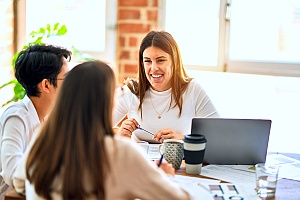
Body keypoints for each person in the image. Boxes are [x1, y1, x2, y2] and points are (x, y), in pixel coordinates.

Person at [13, 60, 191, 199]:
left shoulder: (42, 140)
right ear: (107, 101)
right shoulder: (122, 152)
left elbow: (20, 183)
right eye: (117, 93)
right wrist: (165, 177)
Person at [113, 30, 219, 143]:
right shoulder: (132, 91)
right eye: (148, 61)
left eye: (160, 60)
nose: (153, 68)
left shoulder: (193, 90)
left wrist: (181, 139)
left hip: (176, 160)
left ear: (175, 61)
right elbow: (95, 130)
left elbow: (218, 134)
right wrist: (119, 136)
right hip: (139, 160)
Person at [0, 44, 71, 199]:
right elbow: (12, 173)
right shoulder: (17, 117)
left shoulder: (52, 115)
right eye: (66, 78)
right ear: (46, 84)